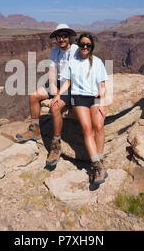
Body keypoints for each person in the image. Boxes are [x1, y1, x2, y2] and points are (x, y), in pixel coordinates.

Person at [16, 24, 78, 166]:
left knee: (55, 107)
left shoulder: (75, 51)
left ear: (69, 37)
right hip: (57, 83)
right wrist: (52, 87)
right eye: (59, 36)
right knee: (33, 96)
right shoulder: (54, 52)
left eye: (64, 36)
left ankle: (56, 145)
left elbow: (74, 75)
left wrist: (59, 94)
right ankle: (35, 130)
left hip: (71, 86)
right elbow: (51, 71)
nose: (61, 39)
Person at [51, 32, 109, 185]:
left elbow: (102, 86)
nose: (84, 47)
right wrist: (58, 95)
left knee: (99, 127)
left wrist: (101, 103)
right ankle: (96, 165)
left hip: (95, 97)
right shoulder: (73, 61)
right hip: (78, 98)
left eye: (88, 45)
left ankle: (100, 161)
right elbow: (67, 81)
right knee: (87, 129)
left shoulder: (97, 62)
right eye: (82, 44)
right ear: (79, 45)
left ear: (91, 47)